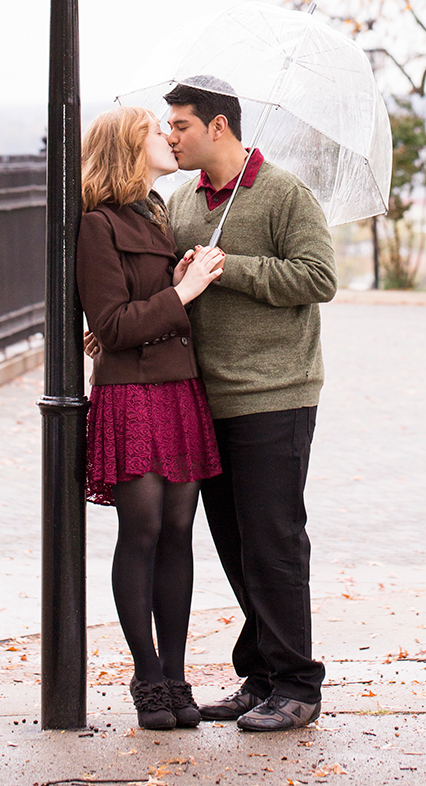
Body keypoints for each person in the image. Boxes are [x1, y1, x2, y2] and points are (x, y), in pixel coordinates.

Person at [161, 78, 339, 733]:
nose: (170, 136)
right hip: (206, 402)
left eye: (180, 125)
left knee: (274, 544)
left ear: (218, 127)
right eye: (168, 126)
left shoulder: (284, 194)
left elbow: (320, 278)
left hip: (275, 396)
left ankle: (297, 684)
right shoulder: (182, 202)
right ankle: (262, 675)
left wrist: (229, 267)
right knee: (235, 546)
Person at [76, 106, 226, 732]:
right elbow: (111, 327)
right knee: (141, 533)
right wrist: (181, 295)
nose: (168, 137)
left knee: (177, 533)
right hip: (132, 394)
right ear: (127, 147)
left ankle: (177, 674)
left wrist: (182, 276)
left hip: (178, 390)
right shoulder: (97, 225)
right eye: (154, 131)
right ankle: (148, 679)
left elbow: (155, 305)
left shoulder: (158, 215)